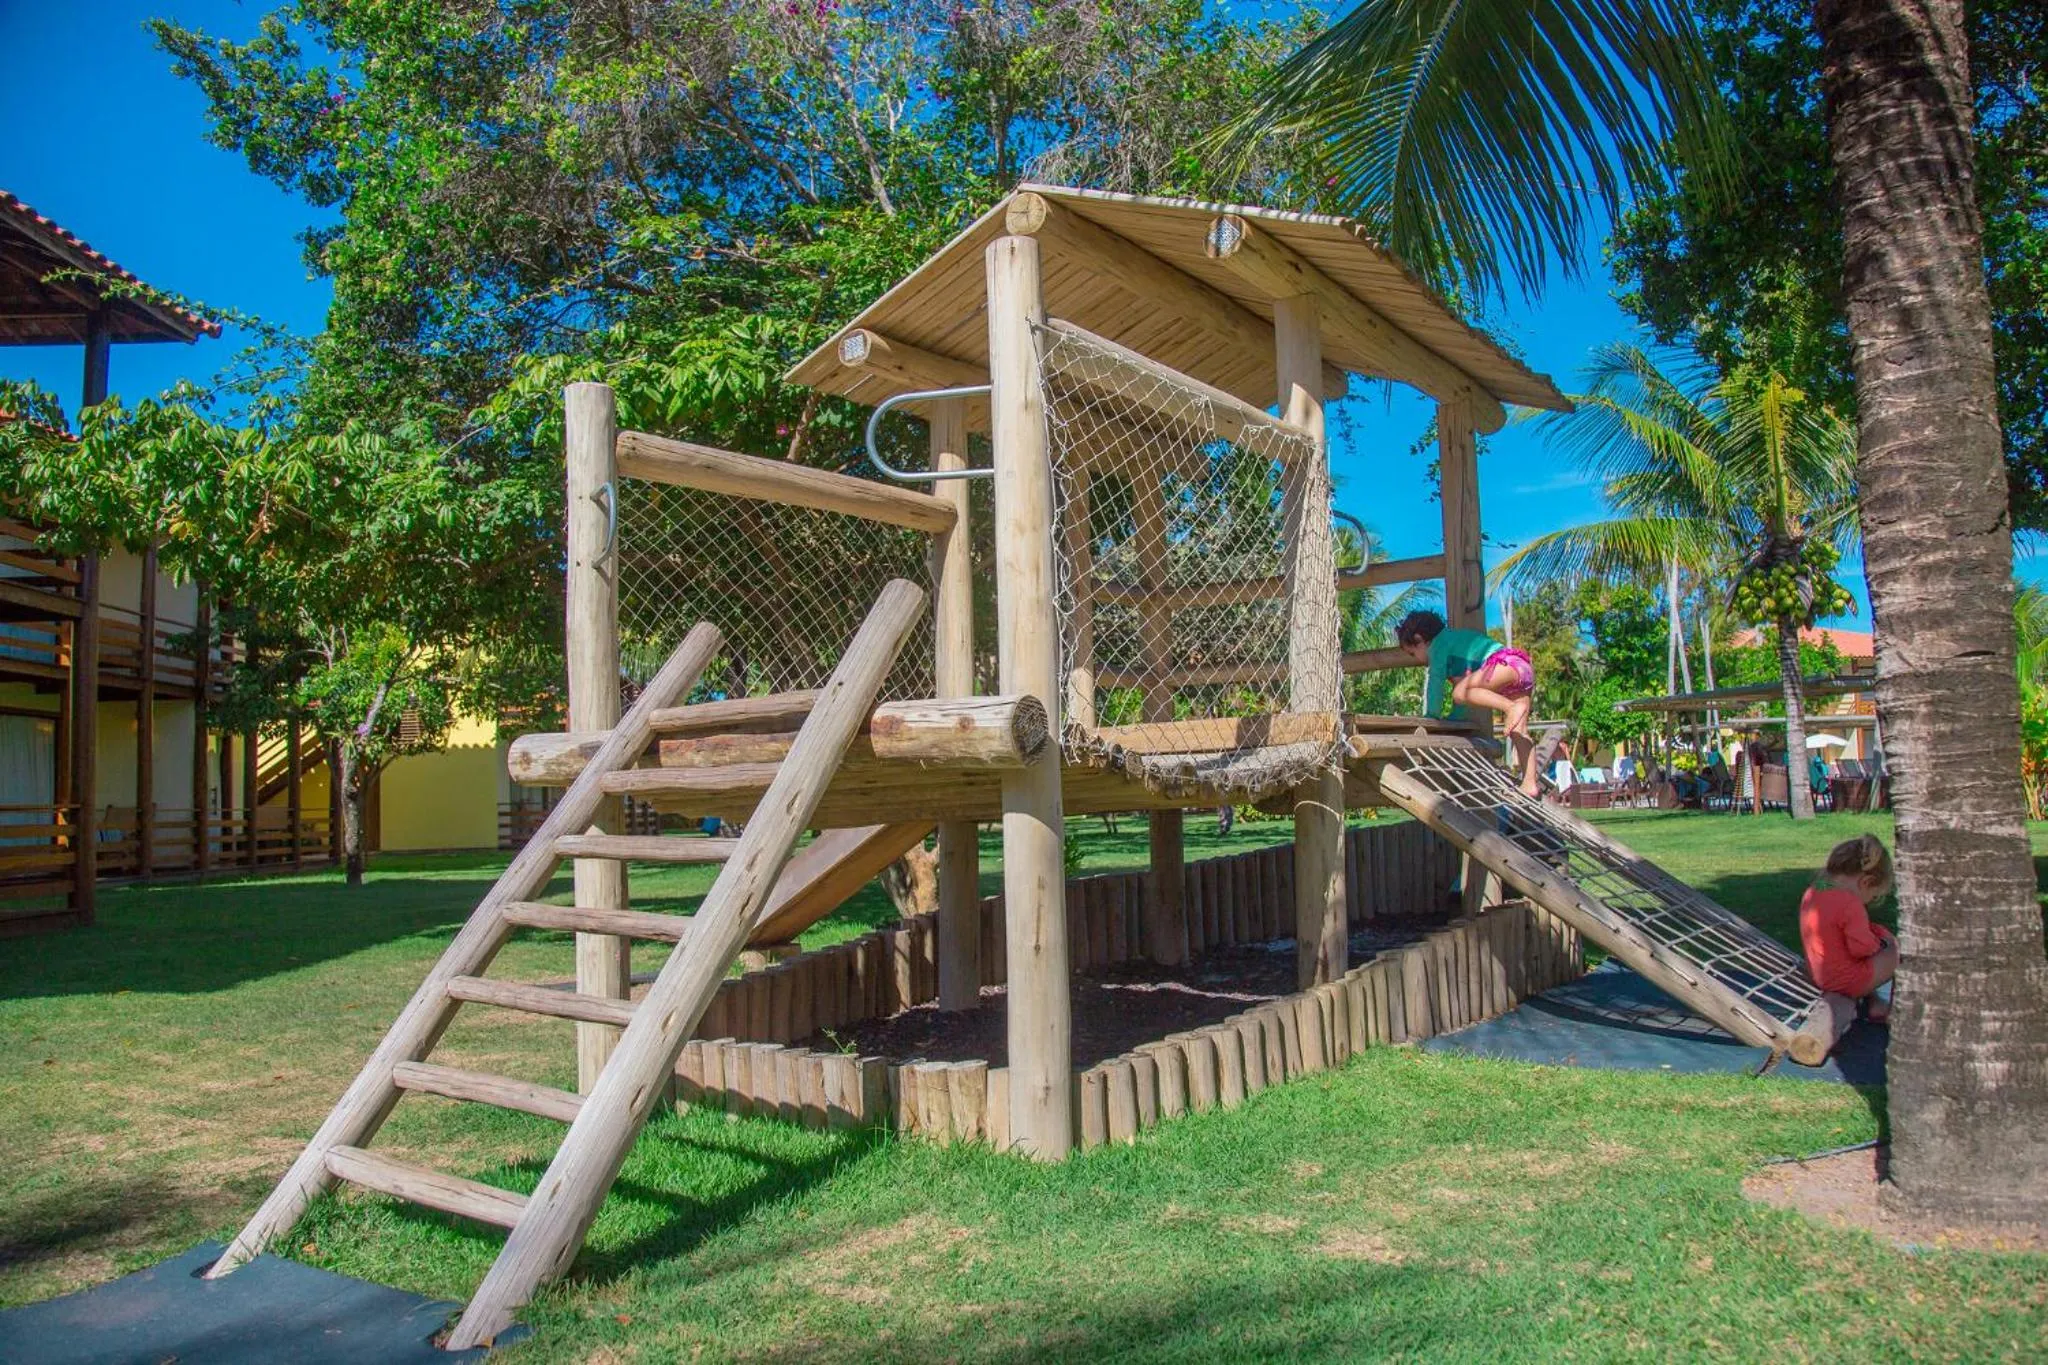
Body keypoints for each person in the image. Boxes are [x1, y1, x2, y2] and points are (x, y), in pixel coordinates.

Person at [1396, 609, 1539, 795]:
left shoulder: (1438, 646)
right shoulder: (1456, 647)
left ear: (1420, 640)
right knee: (1519, 732)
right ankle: (1530, 784)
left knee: (1459, 692)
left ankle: (1511, 707)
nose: (1416, 660)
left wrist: (1431, 717)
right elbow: (1464, 695)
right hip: (1521, 667)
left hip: (1503, 664)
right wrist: (1456, 718)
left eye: (1413, 653)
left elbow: (1435, 684)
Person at [1798, 834, 1898, 1023]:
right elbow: (1861, 948)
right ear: (1866, 882)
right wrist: (1882, 943)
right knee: (1895, 951)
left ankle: (1874, 1001)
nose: (1869, 902)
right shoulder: (1850, 904)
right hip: (1845, 981)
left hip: (1819, 974)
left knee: (1874, 946)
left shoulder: (1815, 891)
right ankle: (1893, 1010)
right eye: (1873, 896)